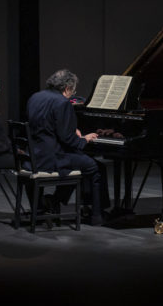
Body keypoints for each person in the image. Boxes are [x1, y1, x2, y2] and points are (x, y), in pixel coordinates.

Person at [26, 69, 111, 225]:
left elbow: (48, 127)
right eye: (73, 91)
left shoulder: (35, 97)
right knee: (94, 167)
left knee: (80, 161)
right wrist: (84, 139)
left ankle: (50, 202)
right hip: (51, 158)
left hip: (33, 155)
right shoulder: (62, 102)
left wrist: (71, 131)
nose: (72, 95)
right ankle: (96, 216)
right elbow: (68, 139)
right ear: (66, 88)